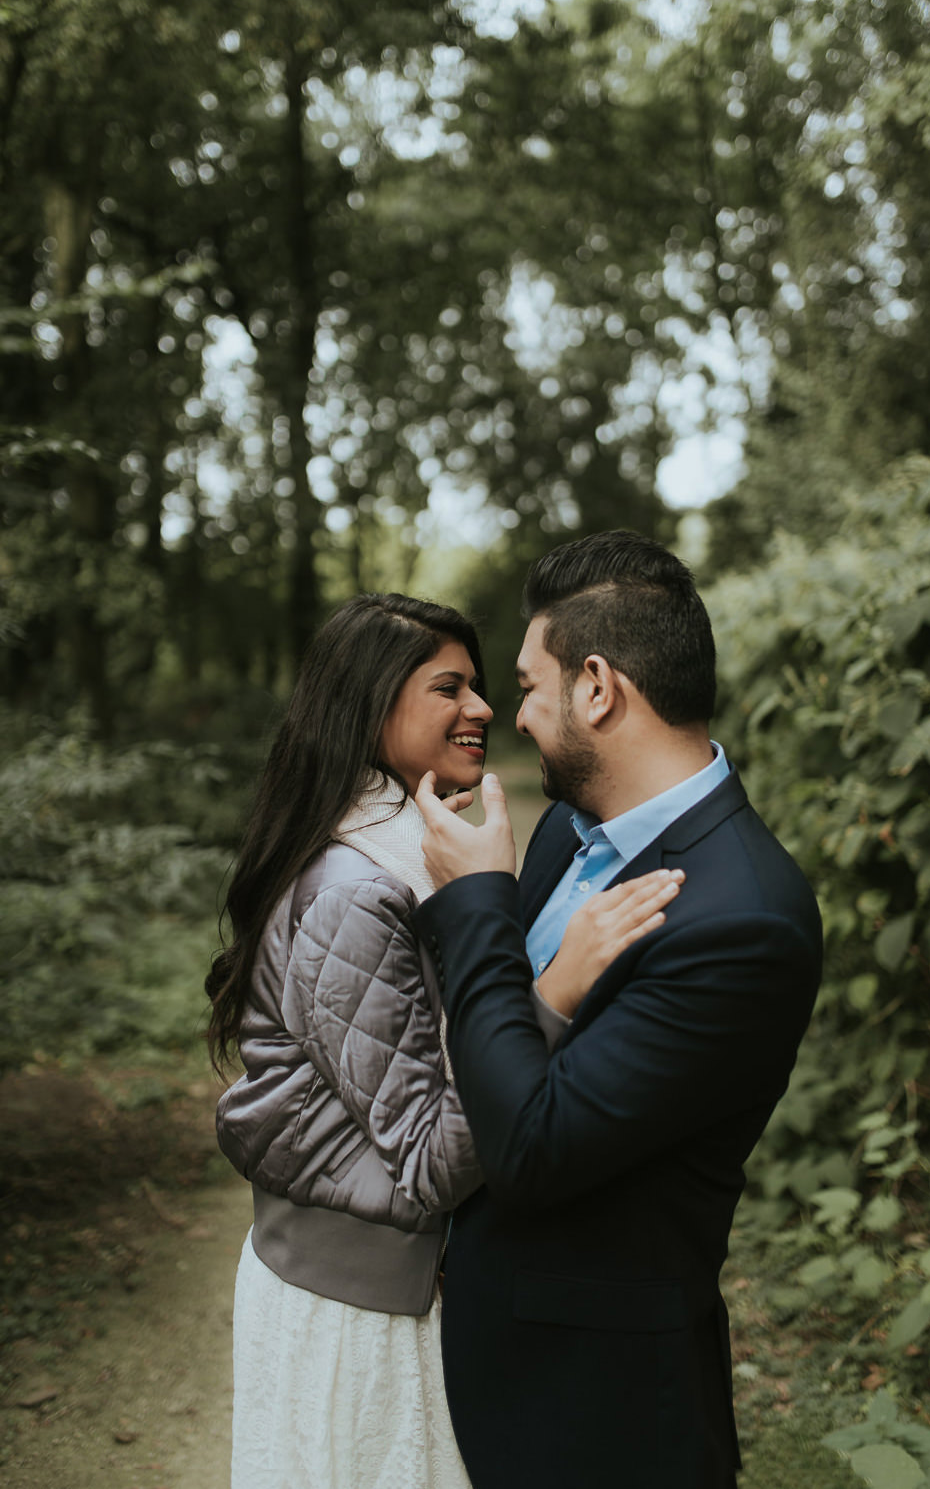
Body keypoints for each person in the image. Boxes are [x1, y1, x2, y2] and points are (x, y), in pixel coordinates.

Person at [209, 593, 677, 1489]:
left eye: (483, 686)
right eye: (449, 688)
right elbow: (428, 1162)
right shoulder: (356, 887)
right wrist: (553, 992)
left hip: (386, 1292)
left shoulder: (404, 852)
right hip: (358, 1312)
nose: (485, 710)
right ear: (371, 703)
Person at [409, 530, 823, 1489]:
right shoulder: (567, 829)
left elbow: (529, 1150)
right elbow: (481, 1034)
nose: (516, 716)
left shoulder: (743, 918)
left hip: (592, 1413)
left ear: (597, 687)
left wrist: (474, 900)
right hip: (474, 1351)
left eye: (529, 684)